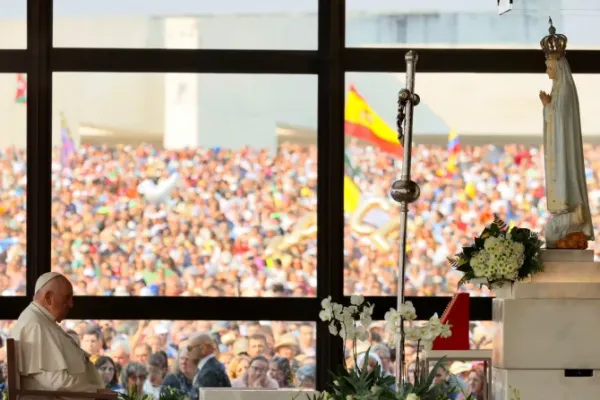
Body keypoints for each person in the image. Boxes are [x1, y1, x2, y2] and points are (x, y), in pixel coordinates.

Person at [539, 19, 594, 248]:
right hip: (557, 145)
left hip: (564, 147)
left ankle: (574, 215)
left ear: (559, 67)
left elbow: (561, 119)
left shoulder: (565, 90)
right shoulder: (558, 90)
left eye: (550, 67)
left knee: (551, 232)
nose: (547, 71)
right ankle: (570, 217)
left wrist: (549, 106)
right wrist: (548, 105)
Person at [9, 272, 106, 393]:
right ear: (48, 298)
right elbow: (55, 382)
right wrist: (95, 393)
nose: (71, 304)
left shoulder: (42, 320)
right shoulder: (35, 325)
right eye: (67, 298)